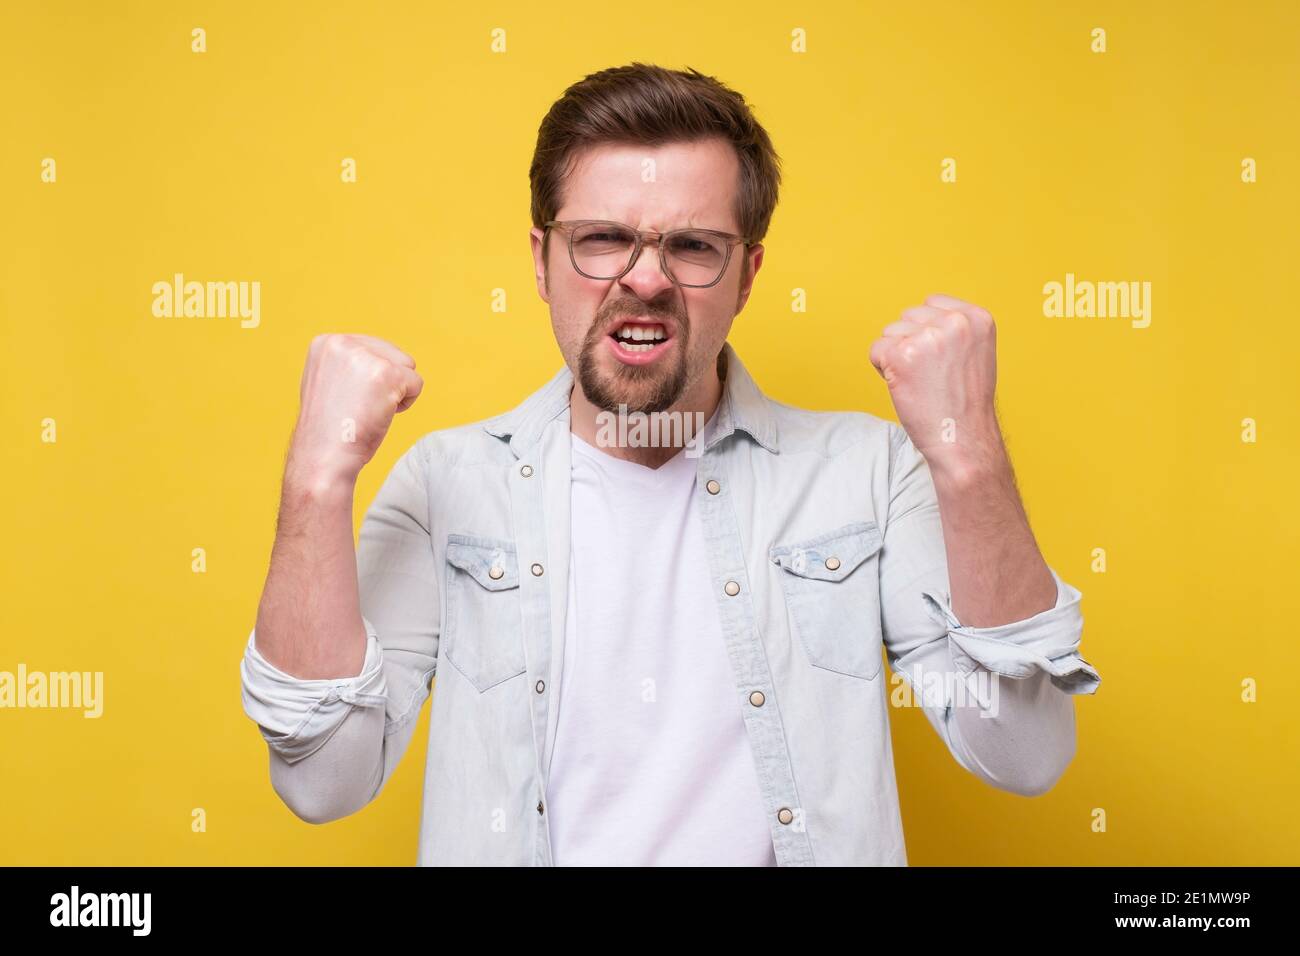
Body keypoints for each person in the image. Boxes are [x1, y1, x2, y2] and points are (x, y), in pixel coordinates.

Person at [239, 62, 1100, 866]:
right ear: (540, 262)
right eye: (603, 238)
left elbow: (1023, 753)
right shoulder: (447, 485)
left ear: (748, 274)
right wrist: (316, 481)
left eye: (692, 246)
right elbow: (322, 783)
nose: (645, 280)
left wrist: (970, 454)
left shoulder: (869, 476)